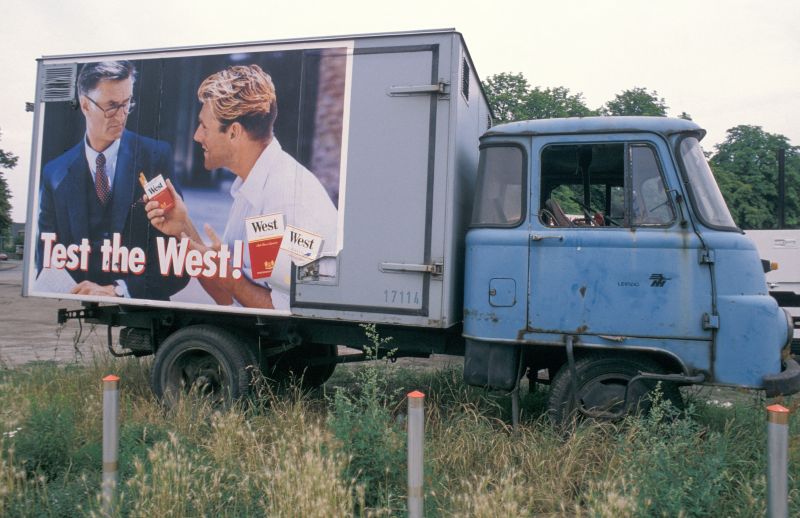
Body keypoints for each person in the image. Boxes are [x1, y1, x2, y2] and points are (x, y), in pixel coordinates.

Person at [146, 64, 338, 310]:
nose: (196, 136)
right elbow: (230, 296)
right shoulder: (254, 186)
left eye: (204, 126)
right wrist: (181, 227)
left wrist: (231, 281)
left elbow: (287, 312)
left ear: (234, 132)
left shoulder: (286, 198)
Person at [36, 60, 189, 300]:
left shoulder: (155, 157)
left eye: (126, 104)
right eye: (111, 106)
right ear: (85, 105)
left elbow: (174, 266)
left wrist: (119, 290)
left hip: (140, 303)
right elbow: (46, 257)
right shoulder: (55, 173)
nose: (121, 116)